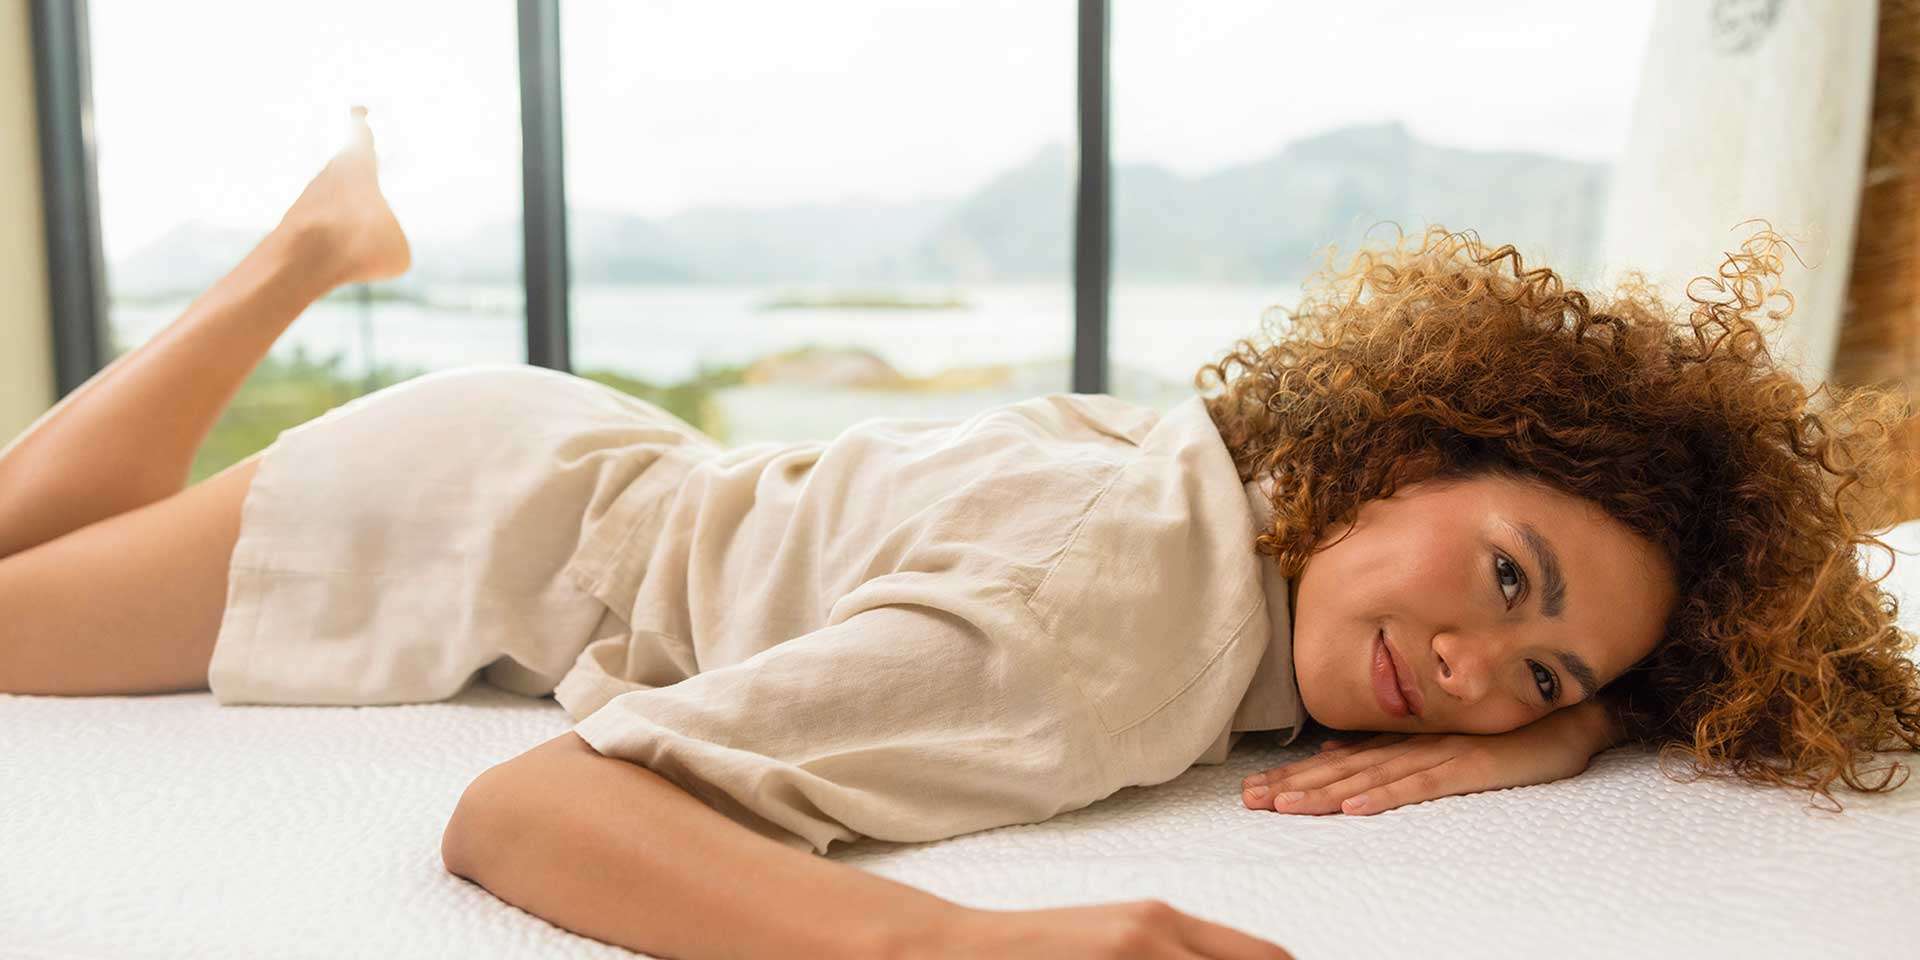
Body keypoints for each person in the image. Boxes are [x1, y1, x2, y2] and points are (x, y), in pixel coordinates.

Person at [2, 108, 1915, 960]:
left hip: (583, 457)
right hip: (472, 514)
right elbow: (532, 812)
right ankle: (302, 254)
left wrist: (1584, 717)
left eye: (1548, 668)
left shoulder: (1248, 495)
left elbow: (1618, 665)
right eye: (1507, 582)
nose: (1480, 674)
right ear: (1409, 457)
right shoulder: (1103, 615)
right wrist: (926, 949)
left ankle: (320, 248)